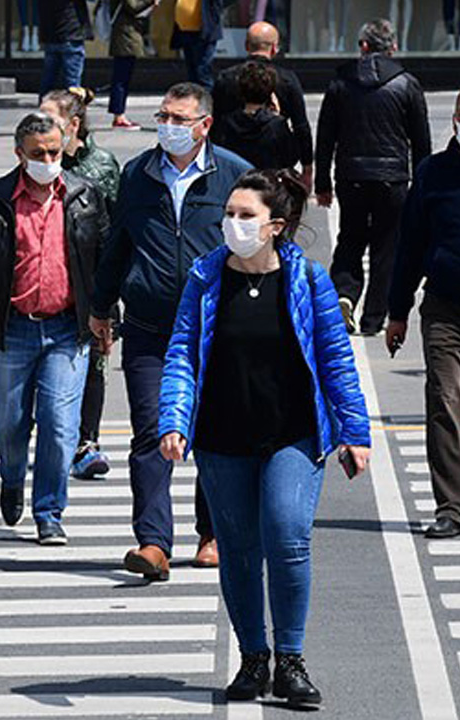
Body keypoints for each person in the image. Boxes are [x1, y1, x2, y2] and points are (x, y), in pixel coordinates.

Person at [159, 168, 370, 707]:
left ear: (275, 225)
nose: (232, 223)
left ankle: (291, 660)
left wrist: (354, 430)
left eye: (245, 215)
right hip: (221, 436)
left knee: (287, 534)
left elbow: (335, 360)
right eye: (228, 214)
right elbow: (182, 352)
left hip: (292, 436)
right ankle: (254, 658)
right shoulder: (206, 278)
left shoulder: (307, 280)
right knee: (238, 549)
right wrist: (174, 420)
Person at [90, 82, 253, 580]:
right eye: (164, 116)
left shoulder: (235, 174)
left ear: (204, 124)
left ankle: (212, 533)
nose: (168, 126)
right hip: (148, 325)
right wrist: (101, 308)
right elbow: (118, 244)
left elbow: (258, 245)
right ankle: (153, 542)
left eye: (179, 119)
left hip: (218, 328)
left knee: (215, 433)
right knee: (150, 431)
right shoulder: (138, 173)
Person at [0, 110, 110, 543]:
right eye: (38, 153)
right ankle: (11, 474)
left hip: (67, 329)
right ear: (20, 153)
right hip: (12, 328)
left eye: (55, 151)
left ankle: (48, 511)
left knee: (60, 425)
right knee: (7, 422)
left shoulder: (83, 194)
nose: (48, 159)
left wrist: (105, 317)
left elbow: (102, 261)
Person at [316, 18, 431, 337]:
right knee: (387, 247)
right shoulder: (407, 83)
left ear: (363, 46)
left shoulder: (340, 83)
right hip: (392, 178)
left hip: (351, 175)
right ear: (393, 47)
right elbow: (420, 141)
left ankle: (344, 294)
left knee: (350, 239)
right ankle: (373, 319)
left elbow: (326, 137)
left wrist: (322, 183)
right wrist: (423, 187)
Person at [386, 92, 460, 540]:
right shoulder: (433, 173)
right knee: (445, 400)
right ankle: (450, 506)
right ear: (454, 120)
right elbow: (409, 246)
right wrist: (397, 312)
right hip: (445, 306)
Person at [41, 88, 120, 480]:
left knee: (95, 364)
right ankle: (57, 439)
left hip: (92, 286)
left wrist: (112, 299)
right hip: (48, 284)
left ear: (73, 125)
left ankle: (87, 443)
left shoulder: (102, 166)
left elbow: (117, 235)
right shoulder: (38, 159)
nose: (42, 129)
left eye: (50, 119)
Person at [211, 21, 313, 189]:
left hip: (232, 163)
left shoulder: (226, 77)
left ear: (246, 45)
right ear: (274, 48)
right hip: (272, 165)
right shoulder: (287, 79)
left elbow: (213, 123)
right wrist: (307, 167)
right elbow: (301, 126)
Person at [212, 60, 299, 171]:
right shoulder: (276, 125)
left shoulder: (227, 123)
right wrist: (277, 115)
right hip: (267, 181)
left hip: (237, 180)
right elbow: (289, 158)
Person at [108, 0, 156, 130]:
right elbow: (132, 6)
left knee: (122, 77)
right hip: (125, 36)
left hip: (127, 34)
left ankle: (119, 114)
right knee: (121, 78)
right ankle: (119, 116)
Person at [37, 0, 92, 96]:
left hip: (50, 34)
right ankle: (71, 109)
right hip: (71, 32)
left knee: (48, 80)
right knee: (72, 84)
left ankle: (45, 107)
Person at [170, 0, 223, 89]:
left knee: (202, 71)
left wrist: (213, 16)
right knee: (192, 71)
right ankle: (195, 99)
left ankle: (207, 98)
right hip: (185, 30)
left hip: (203, 31)